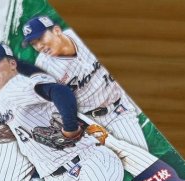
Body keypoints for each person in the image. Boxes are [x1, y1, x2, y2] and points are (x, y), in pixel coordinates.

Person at [0, 43, 124, 181]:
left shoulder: (15, 87)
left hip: (86, 162)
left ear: (12, 64)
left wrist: (70, 128)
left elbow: (61, 92)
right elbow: (46, 82)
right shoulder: (14, 91)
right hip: (56, 180)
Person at [22, 16, 147, 149]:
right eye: (34, 43)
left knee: (139, 155)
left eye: (40, 38)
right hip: (91, 124)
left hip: (119, 105)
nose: (39, 46)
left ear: (57, 31)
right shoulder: (44, 68)